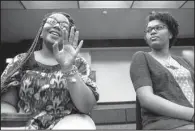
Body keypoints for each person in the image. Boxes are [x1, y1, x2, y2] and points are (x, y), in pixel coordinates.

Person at [1, 12, 99, 130]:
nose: (57, 26)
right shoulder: (22, 61)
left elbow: (86, 106)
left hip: (70, 124)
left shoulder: (78, 63)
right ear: (41, 32)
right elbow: (7, 103)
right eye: (52, 21)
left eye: (63, 26)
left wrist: (68, 68)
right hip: (28, 125)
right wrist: (15, 122)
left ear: (68, 36)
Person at [130, 11, 194, 130]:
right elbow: (147, 99)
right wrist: (192, 114)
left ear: (170, 34)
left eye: (158, 28)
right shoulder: (141, 57)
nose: (153, 32)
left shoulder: (184, 62)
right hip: (164, 121)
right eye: (149, 30)